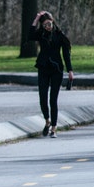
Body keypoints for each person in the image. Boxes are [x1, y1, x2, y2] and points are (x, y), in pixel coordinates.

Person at [30, 10, 73, 139]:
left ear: (53, 22)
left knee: (53, 99)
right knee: (42, 97)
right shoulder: (41, 34)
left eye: (49, 24)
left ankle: (54, 128)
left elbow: (66, 54)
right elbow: (30, 35)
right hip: (43, 67)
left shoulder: (60, 35)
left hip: (56, 69)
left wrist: (70, 70)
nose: (48, 27)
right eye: (45, 25)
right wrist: (36, 19)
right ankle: (47, 120)